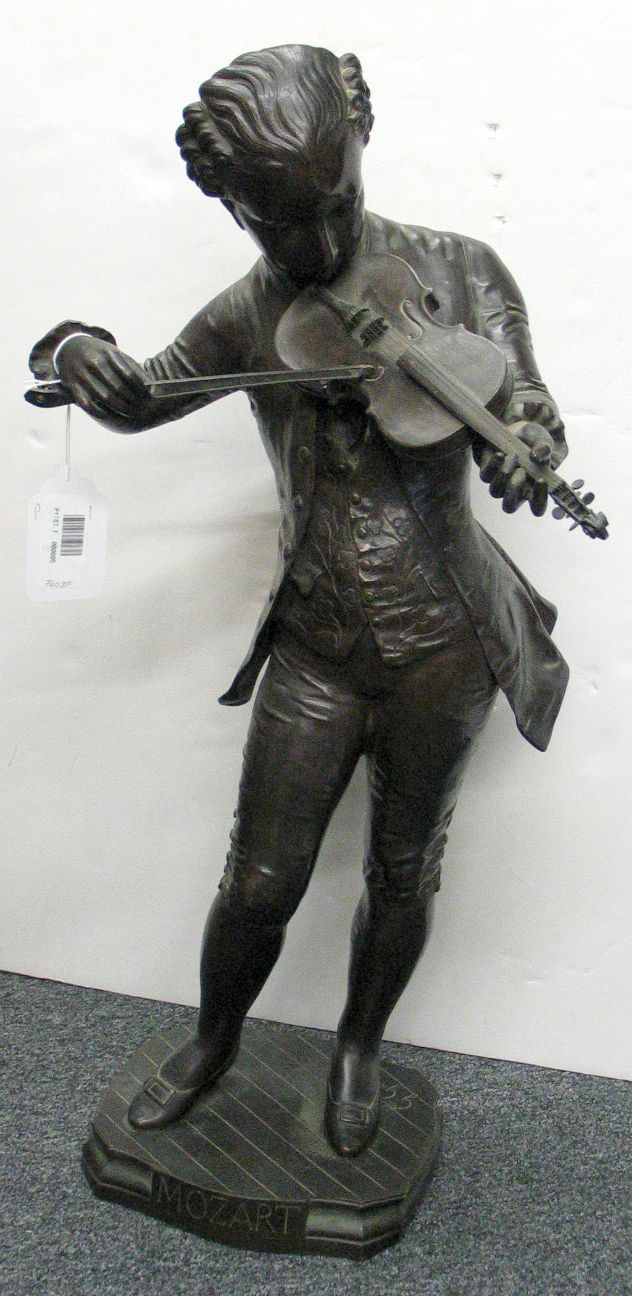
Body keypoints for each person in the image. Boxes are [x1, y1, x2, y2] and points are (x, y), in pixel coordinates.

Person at [28, 44, 569, 1156]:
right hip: (316, 647)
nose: (321, 248)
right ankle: (213, 1038)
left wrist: (528, 438)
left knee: (405, 869)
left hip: (447, 641)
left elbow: (523, 396)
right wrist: (75, 348)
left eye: (339, 207)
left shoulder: (459, 269)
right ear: (233, 209)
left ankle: (358, 1049)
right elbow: (142, 394)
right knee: (258, 880)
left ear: (362, 148)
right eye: (284, 228)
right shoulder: (245, 314)